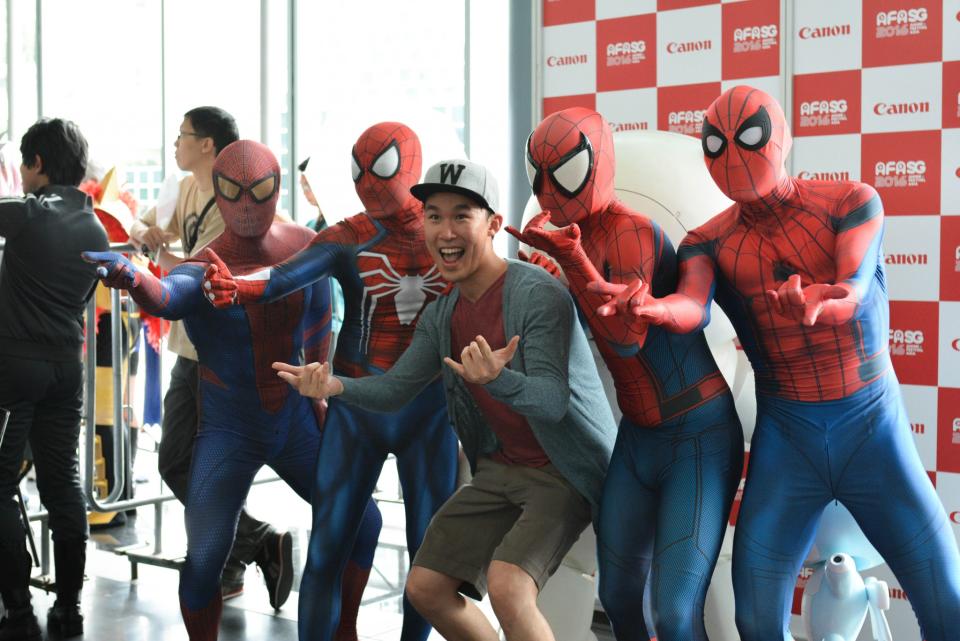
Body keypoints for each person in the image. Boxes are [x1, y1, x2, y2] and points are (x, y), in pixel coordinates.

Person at [595, 85, 960, 641]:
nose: (733, 156)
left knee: (947, 606)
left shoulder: (850, 200)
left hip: (871, 427)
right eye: (715, 144)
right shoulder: (708, 241)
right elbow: (693, 304)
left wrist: (829, 299)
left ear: (782, 136)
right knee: (757, 618)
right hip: (788, 436)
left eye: (749, 138)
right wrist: (652, 307)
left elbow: (854, 283)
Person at [274, 158, 618, 641]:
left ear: (494, 225)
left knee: (508, 587)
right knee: (426, 585)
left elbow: (552, 401)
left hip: (561, 472)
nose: (445, 230)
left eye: (462, 215)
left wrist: (498, 380)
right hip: (500, 470)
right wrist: (335, 387)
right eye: (433, 216)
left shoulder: (537, 294)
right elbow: (397, 388)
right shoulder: (443, 314)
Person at [83, 140, 381, 641]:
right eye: (233, 192)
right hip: (229, 430)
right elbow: (168, 295)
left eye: (258, 191)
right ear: (216, 194)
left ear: (277, 188)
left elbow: (324, 316)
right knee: (204, 559)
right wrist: (134, 279)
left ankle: (344, 629)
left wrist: (325, 391)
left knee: (365, 522)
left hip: (295, 421)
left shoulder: (304, 246)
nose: (246, 206)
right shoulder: (204, 267)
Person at [203, 123, 457, 641]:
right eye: (357, 169)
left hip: (426, 411)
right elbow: (281, 277)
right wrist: (240, 288)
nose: (368, 182)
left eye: (380, 167)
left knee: (429, 561)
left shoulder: (446, 235)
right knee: (327, 548)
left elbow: (498, 285)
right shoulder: (348, 237)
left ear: (409, 163)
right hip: (357, 405)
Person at [509, 107, 743, 641]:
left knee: (676, 611)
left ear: (599, 165)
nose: (549, 190)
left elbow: (627, 339)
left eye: (564, 173)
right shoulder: (569, 239)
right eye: (538, 174)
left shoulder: (632, 232)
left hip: (696, 434)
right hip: (638, 435)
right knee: (617, 593)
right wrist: (553, 283)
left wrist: (571, 265)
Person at [127, 106, 291, 605]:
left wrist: (159, 256)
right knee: (188, 462)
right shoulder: (191, 189)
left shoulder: (235, 199)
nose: (175, 143)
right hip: (191, 350)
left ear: (207, 145)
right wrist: (151, 236)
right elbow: (146, 229)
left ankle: (245, 546)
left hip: (220, 354)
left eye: (182, 136)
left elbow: (207, 273)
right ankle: (243, 552)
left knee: (185, 461)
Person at [0, 117, 109, 640]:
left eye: (24, 163)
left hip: (13, 371)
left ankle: (17, 610)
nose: (20, 174)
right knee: (62, 485)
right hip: (66, 371)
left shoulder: (27, 214)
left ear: (37, 164)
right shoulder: (96, 227)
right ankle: (69, 607)